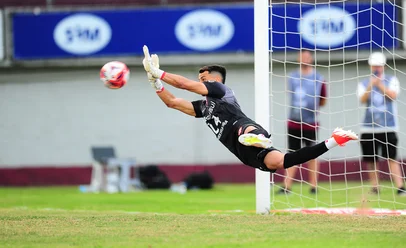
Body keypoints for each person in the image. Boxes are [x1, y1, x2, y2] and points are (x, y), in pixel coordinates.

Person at [142, 45, 358, 176]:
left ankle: (257, 138)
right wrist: (156, 84)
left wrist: (159, 72)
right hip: (242, 153)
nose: (200, 81)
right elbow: (173, 102)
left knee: (246, 131)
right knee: (284, 161)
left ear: (215, 79)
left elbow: (183, 85)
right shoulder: (204, 106)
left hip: (244, 129)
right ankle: (334, 140)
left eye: (203, 78)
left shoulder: (219, 89)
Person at [278, 50, 327, 195]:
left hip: (311, 122)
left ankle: (313, 186)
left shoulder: (319, 78)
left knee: (312, 154)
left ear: (311, 59)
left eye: (307, 57)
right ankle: (287, 186)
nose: (305, 59)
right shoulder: (292, 77)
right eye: (302, 57)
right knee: (292, 153)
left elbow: (323, 99)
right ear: (298, 59)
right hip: (294, 121)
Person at [357, 52, 405, 196]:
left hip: (388, 126)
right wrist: (371, 85)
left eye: (378, 65)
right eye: (374, 65)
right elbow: (362, 99)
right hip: (368, 127)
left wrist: (380, 85)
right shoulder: (364, 83)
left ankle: (400, 186)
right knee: (371, 160)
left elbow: (393, 96)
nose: (376, 68)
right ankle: (375, 187)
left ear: (383, 66)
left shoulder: (391, 80)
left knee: (391, 157)